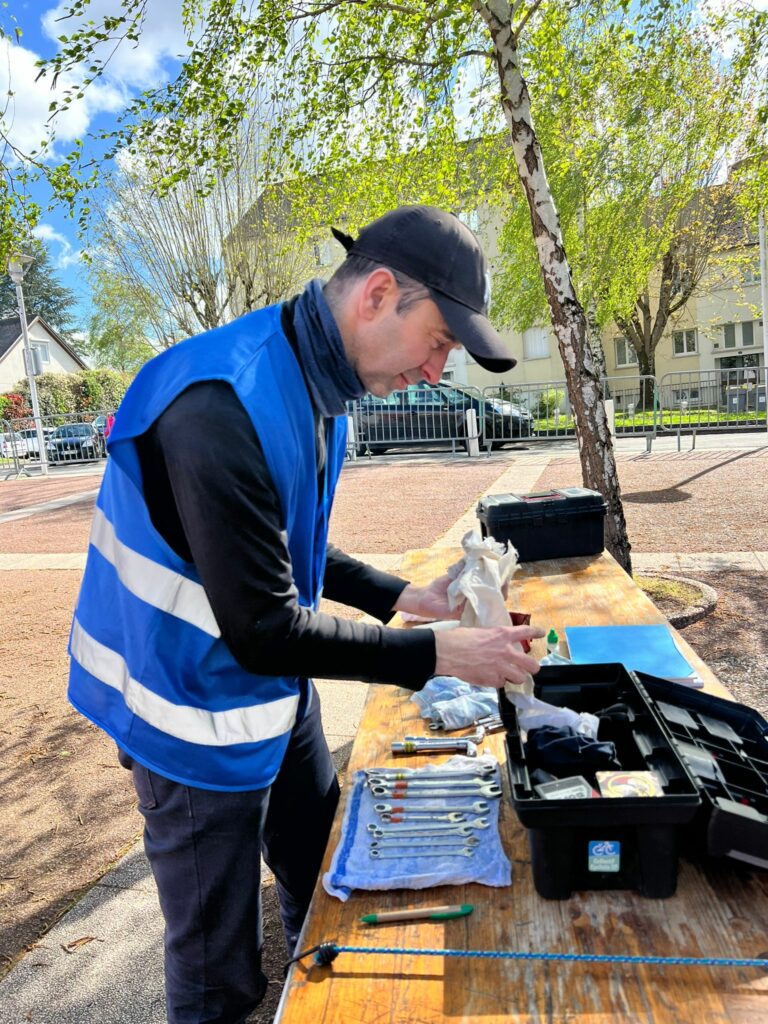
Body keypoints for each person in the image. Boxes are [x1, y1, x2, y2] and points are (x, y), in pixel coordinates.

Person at [67, 205, 544, 1024]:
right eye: (438, 342)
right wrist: (439, 652)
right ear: (380, 293)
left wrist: (400, 597)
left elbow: (283, 546)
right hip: (185, 714)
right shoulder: (219, 401)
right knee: (218, 969)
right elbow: (261, 627)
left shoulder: (318, 384)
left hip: (271, 696)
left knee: (321, 868)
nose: (437, 371)